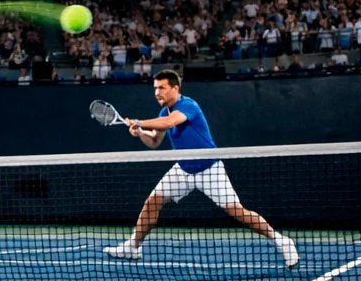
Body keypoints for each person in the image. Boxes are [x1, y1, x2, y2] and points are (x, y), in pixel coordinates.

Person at [103, 70, 299, 268]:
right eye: (155, 88)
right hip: (183, 169)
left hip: (209, 169)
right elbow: (154, 141)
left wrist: (139, 122)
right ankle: (133, 246)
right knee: (152, 203)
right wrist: (140, 133)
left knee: (238, 211)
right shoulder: (163, 113)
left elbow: (171, 122)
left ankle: (282, 241)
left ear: (175, 88)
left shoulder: (188, 105)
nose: (157, 92)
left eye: (161, 88)